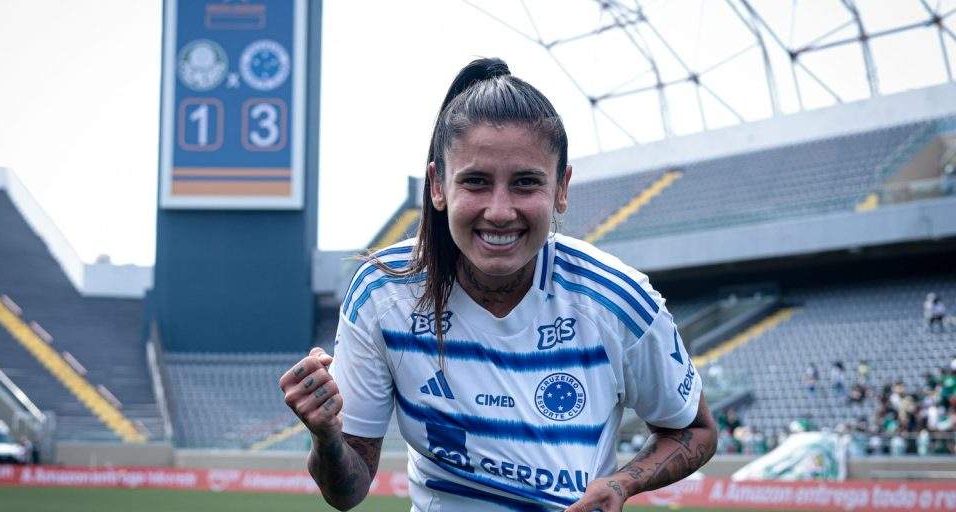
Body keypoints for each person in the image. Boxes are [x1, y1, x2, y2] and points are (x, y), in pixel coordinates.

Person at [279, 58, 717, 512]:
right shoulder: (383, 292)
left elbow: (694, 429)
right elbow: (346, 492)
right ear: (437, 185)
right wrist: (326, 435)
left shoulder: (617, 299)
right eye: (476, 182)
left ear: (562, 187)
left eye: (526, 183)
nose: (500, 211)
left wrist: (622, 484)